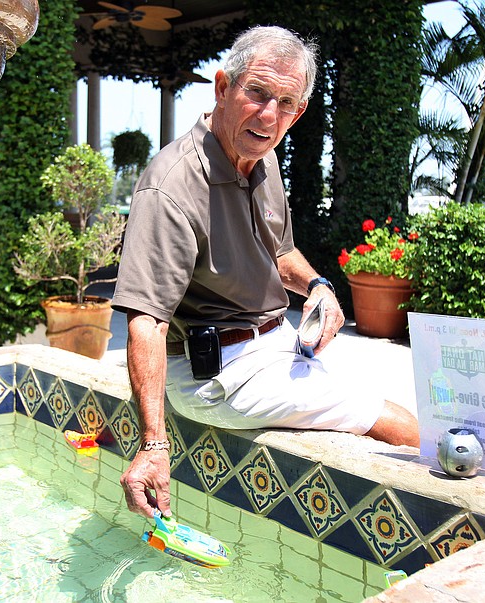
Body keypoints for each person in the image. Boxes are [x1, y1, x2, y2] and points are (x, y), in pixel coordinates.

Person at [111, 25, 419, 520]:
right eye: (256, 92)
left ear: (297, 113)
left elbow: (281, 253)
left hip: (275, 345)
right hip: (218, 374)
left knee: (382, 400)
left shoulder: (264, 157)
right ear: (223, 88)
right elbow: (147, 320)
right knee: (394, 423)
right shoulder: (170, 185)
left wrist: (319, 287)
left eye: (285, 102)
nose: (268, 115)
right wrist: (153, 444)